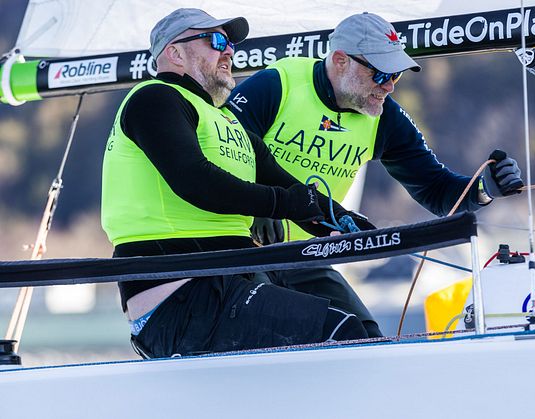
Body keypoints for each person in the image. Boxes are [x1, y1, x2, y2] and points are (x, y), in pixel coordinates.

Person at [227, 12, 524, 337]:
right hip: (238, 252)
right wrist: (260, 202)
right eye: (380, 73)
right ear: (340, 60)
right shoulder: (279, 83)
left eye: (396, 75)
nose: (389, 86)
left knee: (366, 338)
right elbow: (221, 144)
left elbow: (437, 191)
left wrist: (483, 189)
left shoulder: (384, 117)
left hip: (304, 258)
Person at [101, 8, 372, 359]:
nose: (228, 51)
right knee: (339, 334)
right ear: (175, 53)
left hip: (230, 280)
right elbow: (195, 181)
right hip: (180, 297)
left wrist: (349, 223)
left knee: (364, 333)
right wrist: (283, 203)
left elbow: (295, 194)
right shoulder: (154, 99)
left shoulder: (227, 122)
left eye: (230, 43)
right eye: (215, 41)